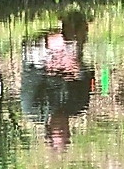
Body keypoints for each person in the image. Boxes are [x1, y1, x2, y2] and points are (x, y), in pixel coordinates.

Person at [20, 9, 94, 149]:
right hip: (66, 61)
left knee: (66, 46)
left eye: (59, 132)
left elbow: (32, 71)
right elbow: (89, 75)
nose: (62, 128)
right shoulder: (79, 105)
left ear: (49, 128)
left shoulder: (31, 109)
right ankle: (74, 21)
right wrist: (77, 67)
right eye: (64, 131)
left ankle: (62, 34)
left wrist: (56, 67)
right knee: (73, 46)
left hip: (37, 60)